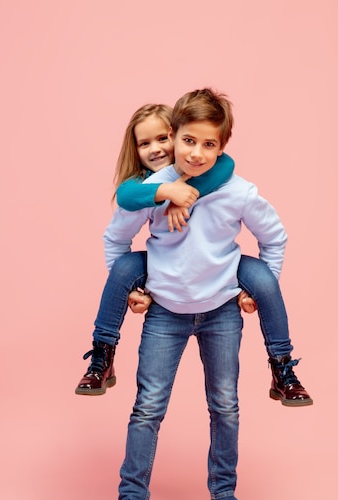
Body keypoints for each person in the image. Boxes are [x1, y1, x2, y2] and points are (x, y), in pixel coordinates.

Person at [105, 88, 310, 500]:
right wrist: (135, 290)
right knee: (147, 409)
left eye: (209, 144)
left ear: (223, 146)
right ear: (173, 136)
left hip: (220, 313)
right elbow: (115, 240)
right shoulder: (153, 189)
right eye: (189, 141)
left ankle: (223, 495)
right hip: (165, 315)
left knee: (225, 406)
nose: (196, 153)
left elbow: (274, 239)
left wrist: (255, 289)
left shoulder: (239, 192)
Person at [75, 103, 312, 407]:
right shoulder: (146, 183)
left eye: (163, 139)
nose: (157, 150)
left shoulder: (213, 171)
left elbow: (225, 165)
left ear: (174, 137)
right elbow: (126, 197)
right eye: (144, 143)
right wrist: (166, 194)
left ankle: (282, 365)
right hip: (164, 268)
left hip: (219, 268)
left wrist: (183, 193)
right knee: (123, 269)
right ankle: (102, 353)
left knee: (264, 279)